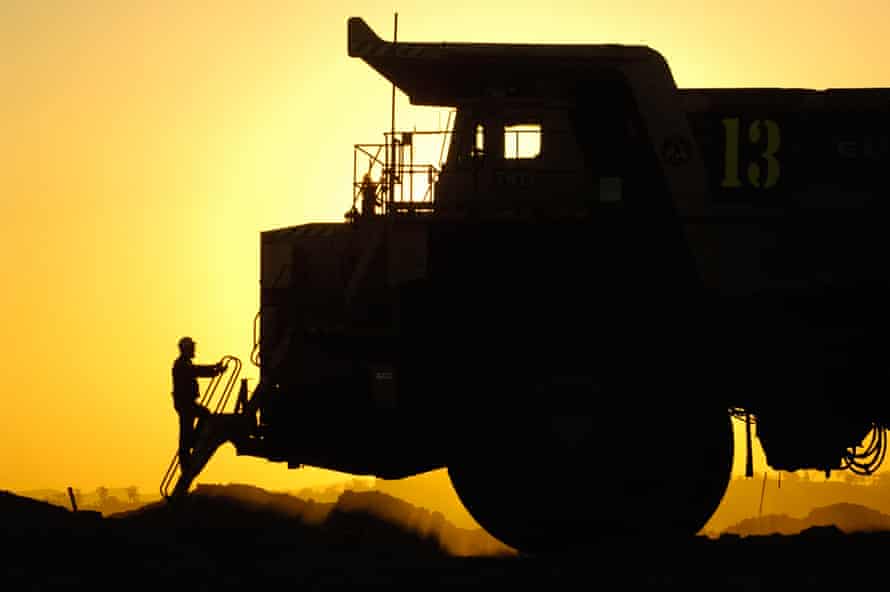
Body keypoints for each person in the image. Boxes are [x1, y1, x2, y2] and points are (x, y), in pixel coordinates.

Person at [172, 336, 224, 473]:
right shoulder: (182, 364)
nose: (194, 350)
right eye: (192, 348)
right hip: (185, 404)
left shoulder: (184, 363)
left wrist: (215, 368)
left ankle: (192, 443)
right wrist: (215, 371)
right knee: (198, 420)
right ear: (186, 349)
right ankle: (191, 447)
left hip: (186, 403)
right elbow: (197, 371)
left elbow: (197, 368)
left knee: (187, 430)